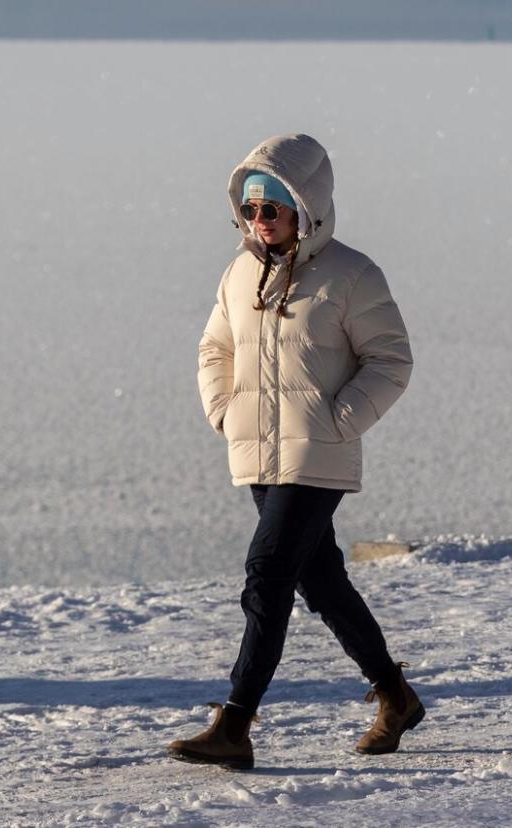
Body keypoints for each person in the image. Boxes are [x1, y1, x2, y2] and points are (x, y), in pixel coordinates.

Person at [168, 133, 421, 770]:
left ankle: (235, 722)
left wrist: (341, 419)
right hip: (256, 451)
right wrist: (224, 411)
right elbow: (213, 349)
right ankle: (395, 696)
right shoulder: (240, 271)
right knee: (321, 580)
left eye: (271, 210)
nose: (259, 222)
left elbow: (390, 360)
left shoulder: (352, 275)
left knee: (267, 574)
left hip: (318, 453)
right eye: (249, 210)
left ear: (305, 208)